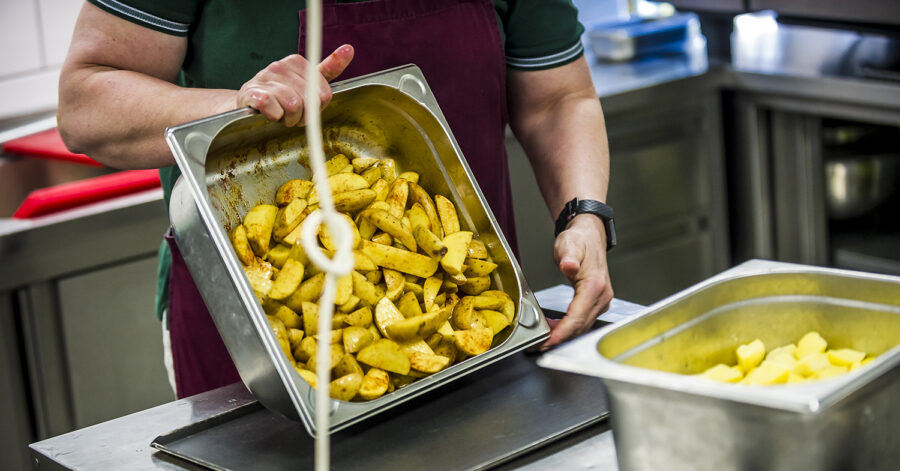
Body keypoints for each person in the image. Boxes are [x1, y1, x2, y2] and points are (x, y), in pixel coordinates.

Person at [58, 0, 613, 399]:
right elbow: (87, 104)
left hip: (456, 312)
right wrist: (242, 105)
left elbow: (559, 98)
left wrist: (584, 215)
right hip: (253, 334)